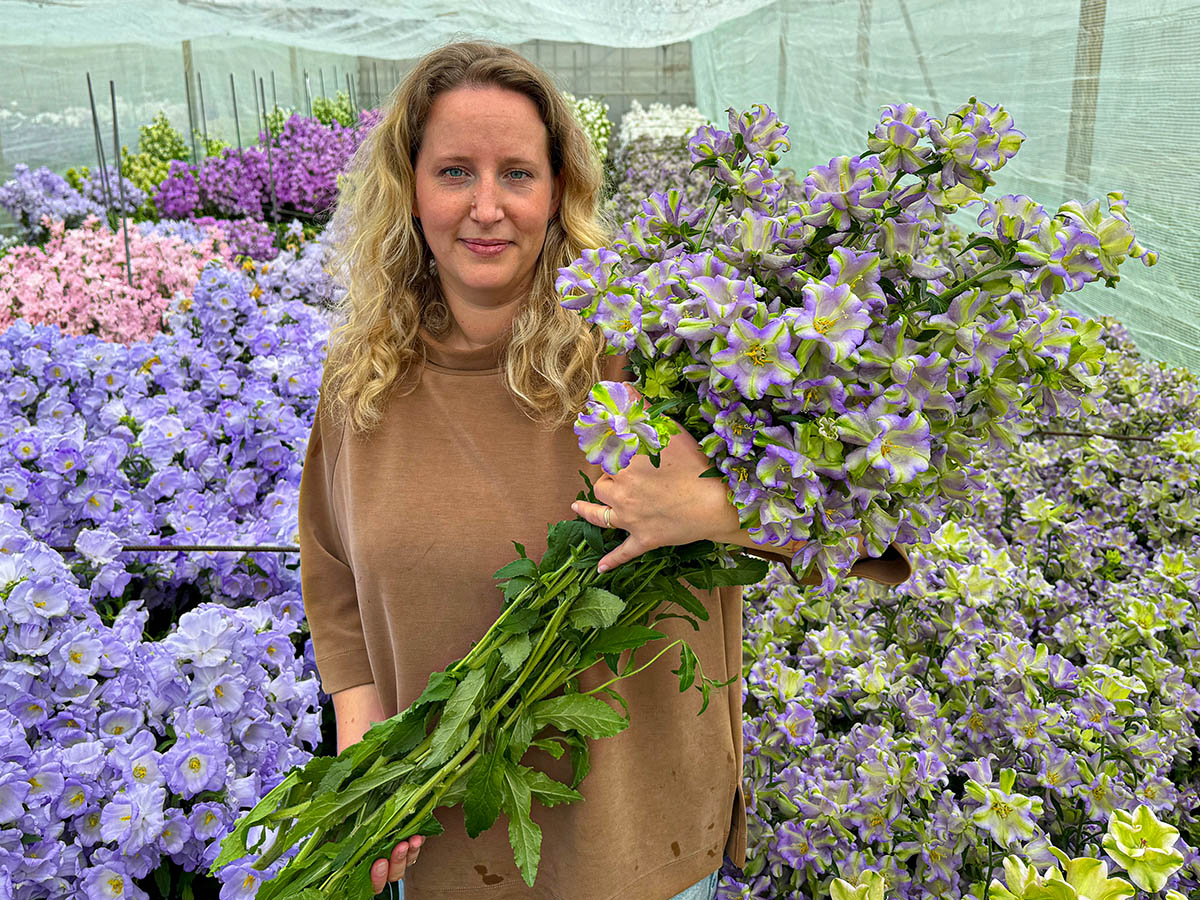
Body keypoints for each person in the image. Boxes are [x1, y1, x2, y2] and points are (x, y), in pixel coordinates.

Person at [299, 40, 912, 900]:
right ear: (407, 189)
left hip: (641, 860)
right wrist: (369, 762)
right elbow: (333, 582)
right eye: (452, 172)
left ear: (557, 194)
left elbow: (873, 545)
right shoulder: (362, 379)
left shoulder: (651, 355)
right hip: (445, 850)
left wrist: (712, 512)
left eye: (517, 173)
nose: (486, 206)